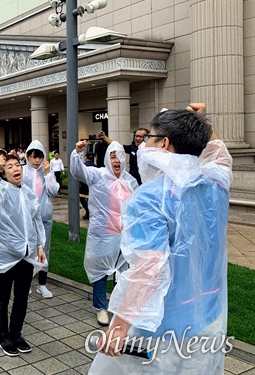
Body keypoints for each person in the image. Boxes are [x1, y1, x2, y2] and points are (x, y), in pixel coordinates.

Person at [90, 105, 232, 375]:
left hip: (162, 333)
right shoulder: (217, 182)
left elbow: (148, 270)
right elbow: (221, 155)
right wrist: (202, 126)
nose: (144, 145)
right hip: (207, 322)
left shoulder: (151, 198)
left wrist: (119, 327)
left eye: (149, 138)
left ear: (164, 143)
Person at [0, 154, 46, 357]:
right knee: (3, 297)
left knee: (21, 298)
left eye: (17, 165)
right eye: (9, 166)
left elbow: (36, 220)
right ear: (4, 173)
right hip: (5, 256)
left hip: (26, 255)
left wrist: (40, 245)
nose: (15, 168)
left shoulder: (29, 193)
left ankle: (17, 334)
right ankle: (3, 337)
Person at [69, 140, 138, 326]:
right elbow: (77, 172)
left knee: (122, 270)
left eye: (120, 156)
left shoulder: (129, 181)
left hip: (124, 234)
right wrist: (77, 153)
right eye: (112, 156)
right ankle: (101, 307)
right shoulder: (98, 175)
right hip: (103, 233)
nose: (117, 160)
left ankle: (117, 306)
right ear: (107, 158)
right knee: (100, 269)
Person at [23, 140, 59, 298]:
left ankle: (42, 284)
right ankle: (26, 282)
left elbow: (53, 192)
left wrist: (48, 174)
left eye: (39, 157)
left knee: (45, 249)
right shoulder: (22, 171)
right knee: (28, 250)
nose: (36, 160)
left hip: (44, 217)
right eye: (33, 157)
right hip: (26, 219)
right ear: (28, 156)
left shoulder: (45, 172)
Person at [79, 152, 95, 219]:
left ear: (86, 157)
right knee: (90, 199)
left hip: (84, 185)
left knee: (82, 198)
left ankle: (88, 212)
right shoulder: (95, 166)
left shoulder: (84, 166)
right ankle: (88, 213)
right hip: (93, 186)